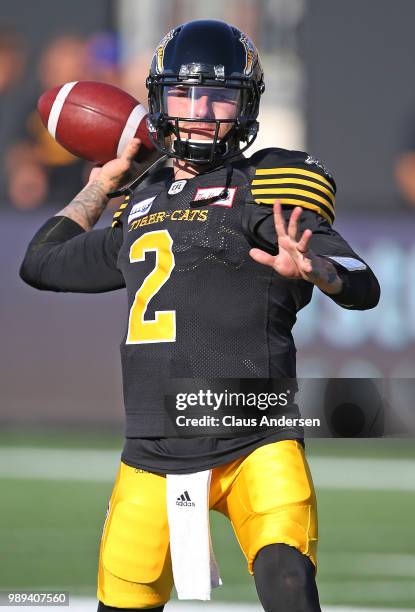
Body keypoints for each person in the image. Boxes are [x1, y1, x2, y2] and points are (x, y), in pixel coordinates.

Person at [20, 19, 380, 612]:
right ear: (160, 102)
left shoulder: (266, 183)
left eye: (218, 96)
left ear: (246, 105)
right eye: (185, 95)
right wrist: (102, 185)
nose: (199, 112)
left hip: (255, 438)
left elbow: (363, 284)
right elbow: (41, 262)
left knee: (290, 587)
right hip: (152, 452)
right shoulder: (140, 198)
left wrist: (322, 272)